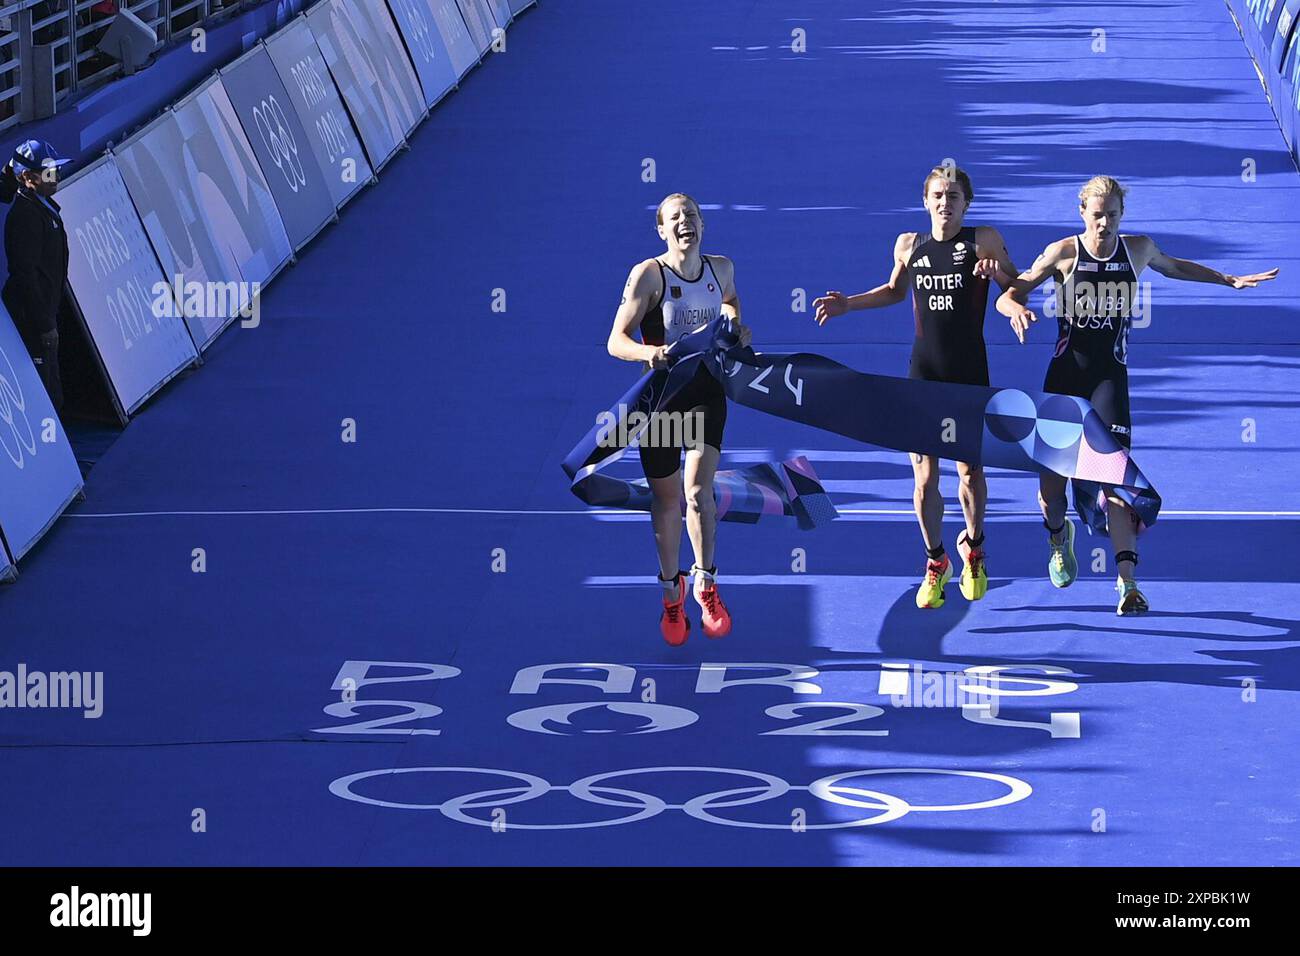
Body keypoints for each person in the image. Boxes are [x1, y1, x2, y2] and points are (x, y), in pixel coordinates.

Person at [996, 175, 1278, 614]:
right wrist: (1013, 307)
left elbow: (1177, 266)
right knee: (1052, 490)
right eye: (1096, 215)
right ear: (1082, 214)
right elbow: (1014, 290)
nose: (1104, 223)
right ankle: (1058, 538)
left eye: (1112, 215)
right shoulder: (1064, 253)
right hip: (1065, 382)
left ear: (1121, 215)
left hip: (1110, 383)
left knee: (1115, 485)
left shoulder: (1138, 249)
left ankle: (1127, 584)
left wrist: (1229, 279)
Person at [814, 165, 1019, 609]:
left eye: (955, 195)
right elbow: (893, 290)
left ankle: (975, 549)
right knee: (924, 478)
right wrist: (848, 304)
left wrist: (999, 279)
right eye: (938, 195)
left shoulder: (983, 240)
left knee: (969, 472)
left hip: (968, 376)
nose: (946, 202)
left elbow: (1017, 287)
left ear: (967, 203)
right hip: (922, 375)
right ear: (926, 201)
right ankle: (935, 560)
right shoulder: (909, 245)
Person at [606, 193, 752, 645]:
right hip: (661, 402)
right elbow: (615, 340)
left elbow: (730, 303)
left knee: (697, 494)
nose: (685, 222)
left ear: (702, 225)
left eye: (691, 215)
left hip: (707, 394)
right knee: (666, 502)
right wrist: (650, 353)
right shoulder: (648, 276)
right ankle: (673, 594)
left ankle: (706, 584)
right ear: (662, 231)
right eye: (675, 218)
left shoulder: (720, 269)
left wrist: (734, 331)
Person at [2, 140, 72, 413]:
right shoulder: (25, 216)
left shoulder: (43, 206)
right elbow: (25, 275)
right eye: (48, 172)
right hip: (30, 321)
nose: (55, 176)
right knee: (44, 396)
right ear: (27, 178)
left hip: (44, 312)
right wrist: (44, 324)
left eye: (56, 170)